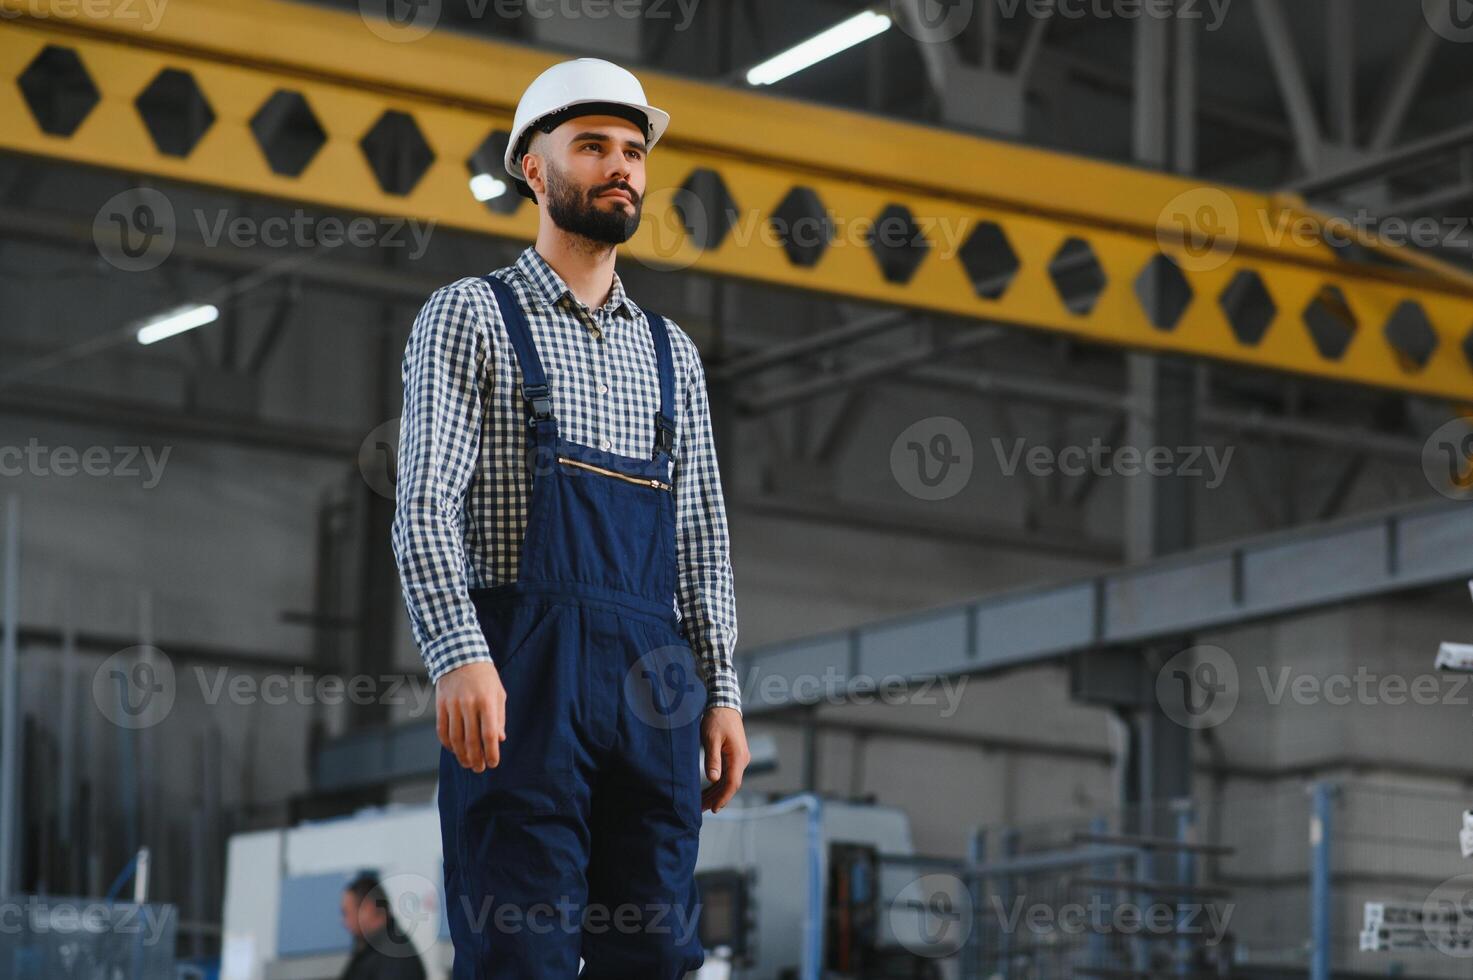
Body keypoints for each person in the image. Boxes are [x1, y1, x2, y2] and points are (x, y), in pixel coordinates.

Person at [391, 57, 751, 979]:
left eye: (632, 151)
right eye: (591, 146)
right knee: (520, 951)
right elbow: (424, 499)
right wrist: (458, 652)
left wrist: (722, 692)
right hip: (523, 680)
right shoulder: (467, 317)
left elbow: (702, 543)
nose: (620, 167)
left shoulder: (673, 356)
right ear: (531, 167)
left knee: (656, 954)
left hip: (656, 686)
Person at [337, 871, 427, 980]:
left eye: (346, 913)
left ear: (368, 909)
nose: (343, 921)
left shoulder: (395, 957)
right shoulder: (370, 949)